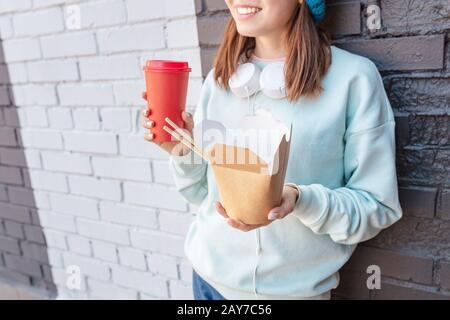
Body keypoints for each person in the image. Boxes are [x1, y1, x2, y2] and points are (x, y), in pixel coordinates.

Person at [141, 0, 403, 300]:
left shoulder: (354, 79)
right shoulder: (220, 80)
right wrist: (181, 151)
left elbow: (377, 206)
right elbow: (202, 194)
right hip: (208, 284)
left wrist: (301, 200)